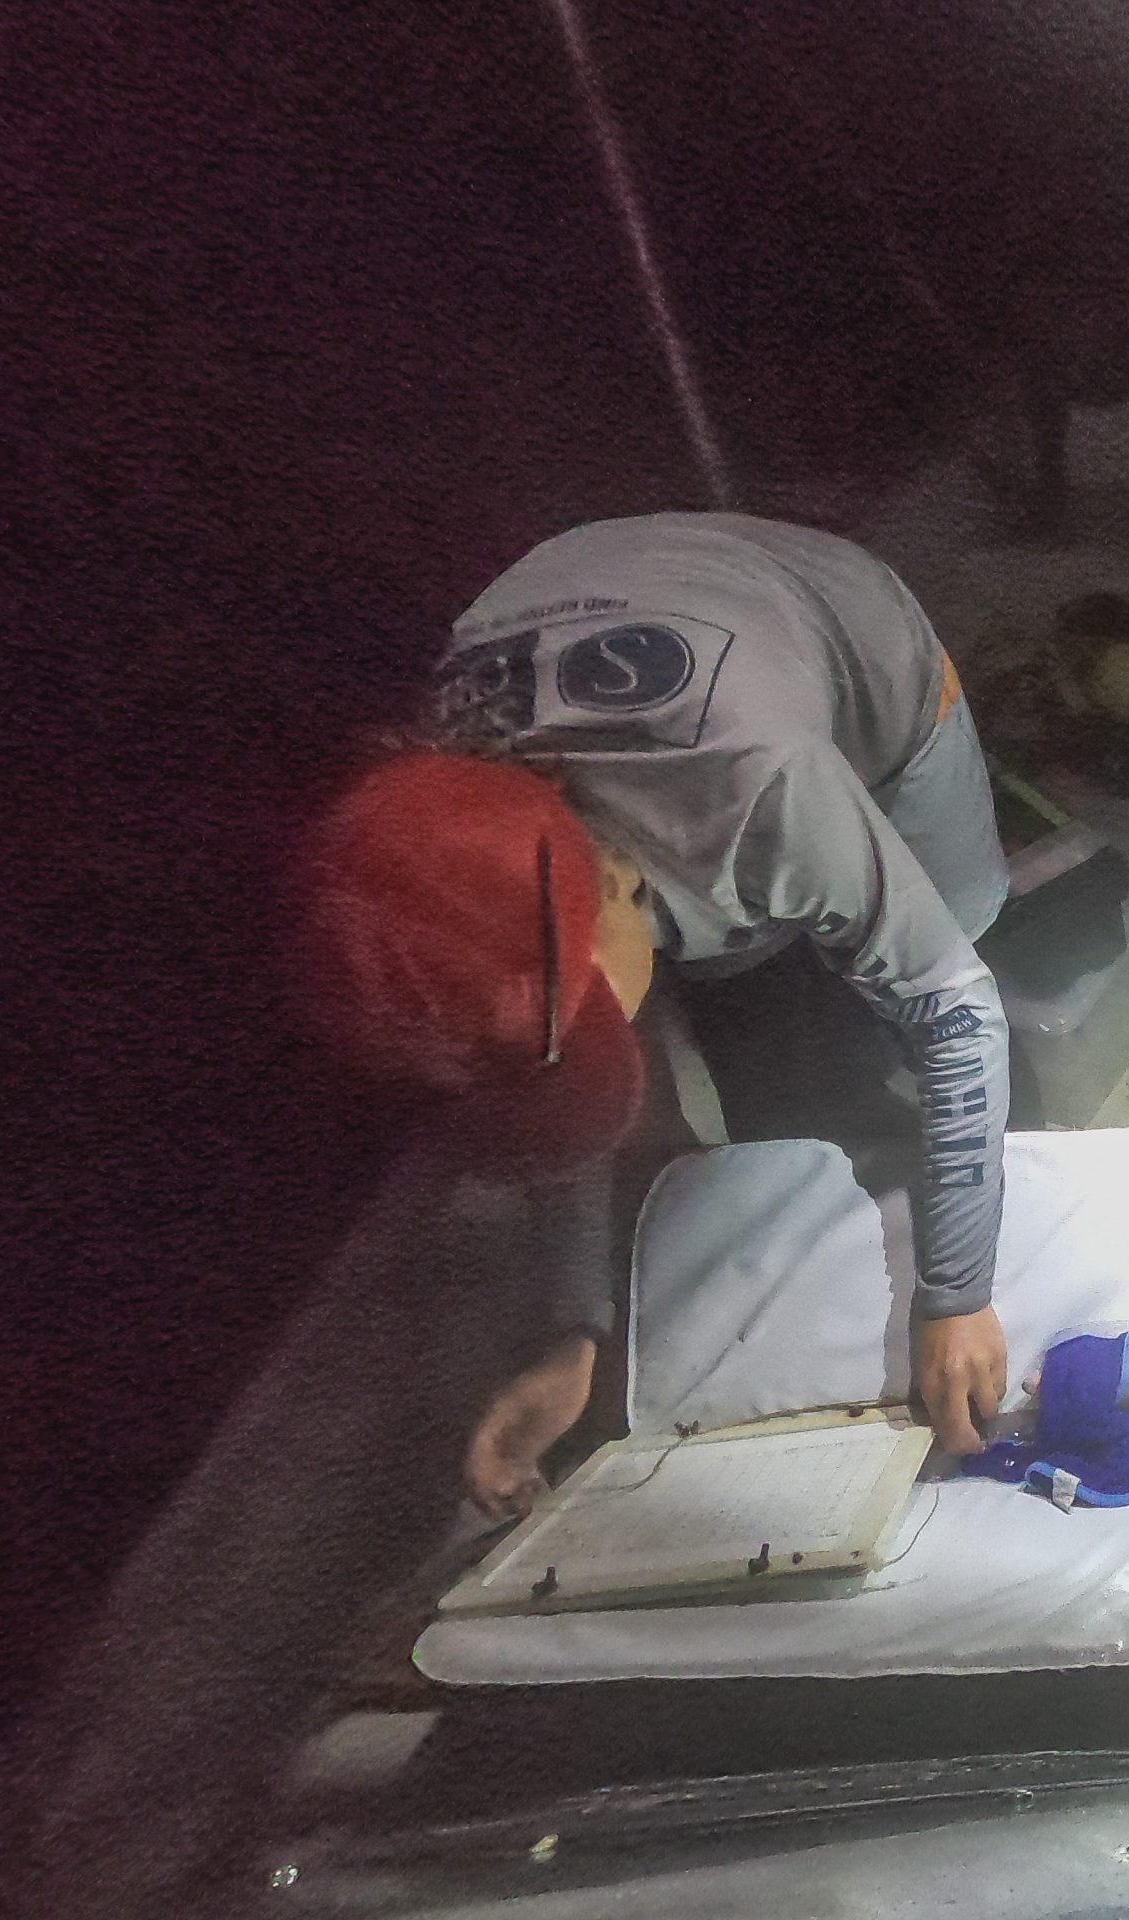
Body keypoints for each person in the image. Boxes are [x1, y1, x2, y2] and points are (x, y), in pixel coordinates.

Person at [5, 751, 652, 1917]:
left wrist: (566, 1325)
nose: (632, 901)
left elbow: (553, 1087)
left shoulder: (481, 880)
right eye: (615, 895)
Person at [434, 513, 1014, 1453]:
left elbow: (955, 1006)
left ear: (612, 881)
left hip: (854, 640)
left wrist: (958, 1294)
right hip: (608, 605)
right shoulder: (446, 814)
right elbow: (550, 1090)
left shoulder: (759, 785)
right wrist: (573, 1330)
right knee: (755, 983)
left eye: (591, 1020)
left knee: (958, 918)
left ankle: (921, 1071)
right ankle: (804, 969)